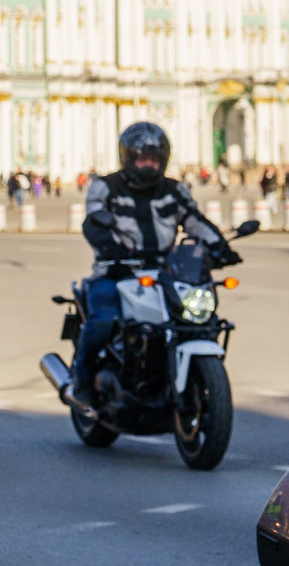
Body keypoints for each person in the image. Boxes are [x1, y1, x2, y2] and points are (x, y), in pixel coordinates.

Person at [71, 122, 233, 407]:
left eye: (155, 160)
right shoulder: (106, 187)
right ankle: (82, 380)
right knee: (104, 319)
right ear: (128, 158)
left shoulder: (173, 189)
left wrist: (219, 246)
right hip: (115, 272)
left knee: (198, 320)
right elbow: (94, 222)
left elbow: (194, 220)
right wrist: (110, 248)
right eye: (143, 159)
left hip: (164, 273)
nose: (149, 165)